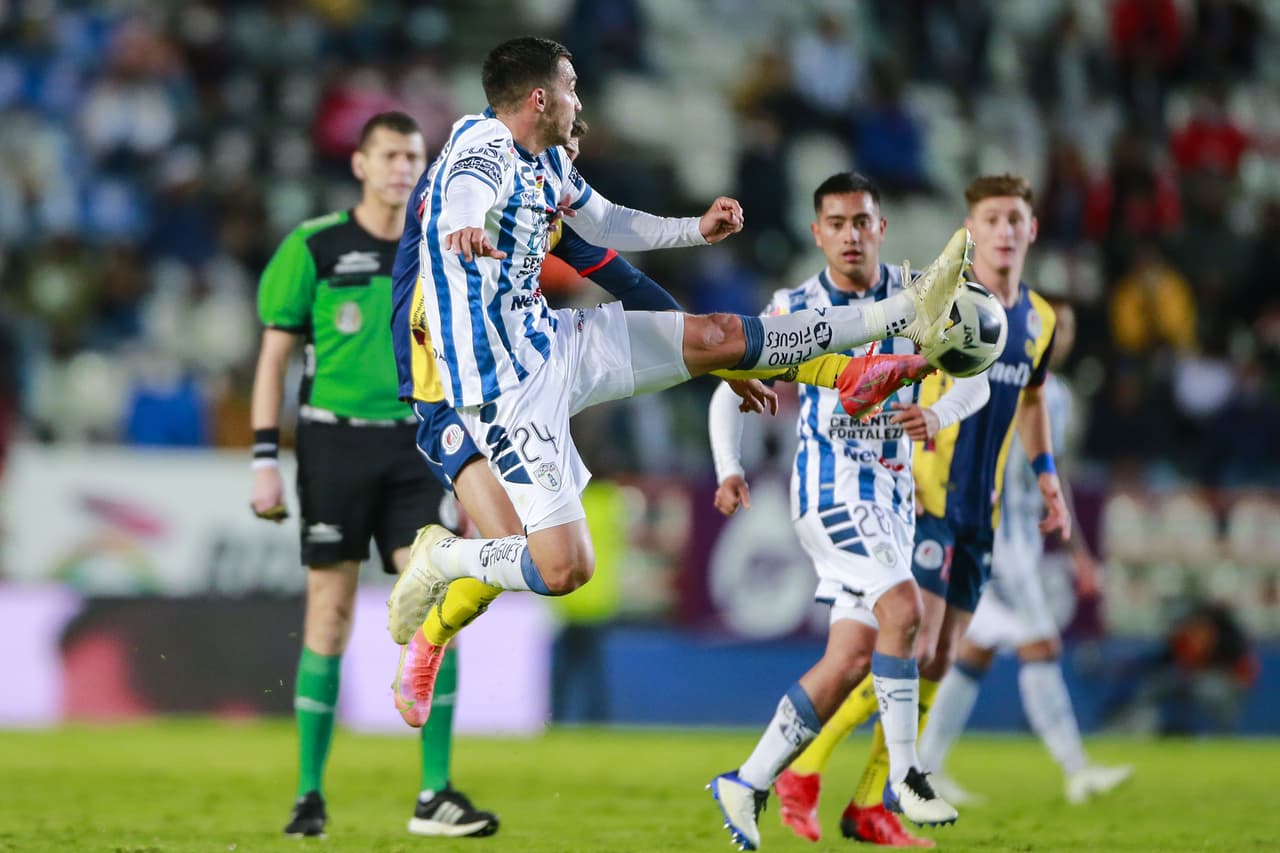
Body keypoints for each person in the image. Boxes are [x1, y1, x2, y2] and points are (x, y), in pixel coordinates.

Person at [388, 117, 937, 729]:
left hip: (531, 369)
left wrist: (722, 366)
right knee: (516, 541)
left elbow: (626, 279)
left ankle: (844, 369)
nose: (578, 140)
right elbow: (450, 199)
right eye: (567, 134)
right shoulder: (472, 175)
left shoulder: (543, 197)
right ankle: (435, 619)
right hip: (448, 391)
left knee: (539, 552)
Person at [773, 173, 1070, 847]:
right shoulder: (937, 301)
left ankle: (869, 801)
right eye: (991, 218)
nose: (1004, 231)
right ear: (970, 227)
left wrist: (1047, 474)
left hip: (980, 508)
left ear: (1032, 229)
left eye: (1015, 218)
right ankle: (808, 769)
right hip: (925, 499)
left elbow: (1030, 399)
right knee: (908, 640)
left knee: (939, 656)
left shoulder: (1040, 319)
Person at [706, 173, 995, 850]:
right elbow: (733, 380)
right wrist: (729, 465)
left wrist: (937, 409)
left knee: (850, 658)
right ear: (818, 233)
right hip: (831, 493)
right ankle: (906, 779)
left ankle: (746, 781)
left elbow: (979, 366)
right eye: (836, 222)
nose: (851, 234)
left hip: (892, 500)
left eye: (861, 221)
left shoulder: (921, 291)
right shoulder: (795, 305)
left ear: (880, 228)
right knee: (906, 613)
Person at [249, 111, 498, 840]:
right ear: (359, 164)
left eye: (413, 156)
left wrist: (481, 471)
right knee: (328, 613)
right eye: (388, 155)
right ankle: (308, 795)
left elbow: (463, 359)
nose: (401, 168)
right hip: (332, 444)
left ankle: (435, 793)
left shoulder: (439, 248)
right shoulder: (314, 244)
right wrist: (266, 457)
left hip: (419, 445)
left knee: (436, 601)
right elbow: (272, 357)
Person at [919, 298, 1134, 806]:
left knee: (972, 653)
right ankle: (1076, 770)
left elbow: (1048, 476)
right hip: (991, 533)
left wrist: (1077, 550)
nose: (1061, 337)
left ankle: (923, 768)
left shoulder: (1055, 395)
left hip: (1022, 539)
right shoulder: (993, 372)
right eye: (1053, 327)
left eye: (1070, 328)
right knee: (1042, 645)